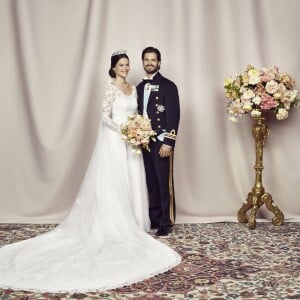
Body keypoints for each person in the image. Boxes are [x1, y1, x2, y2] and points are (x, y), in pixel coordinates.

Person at [0, 50, 181, 292]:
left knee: (140, 181)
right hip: (121, 141)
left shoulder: (151, 87)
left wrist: (155, 136)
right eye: (123, 64)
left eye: (128, 64)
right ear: (114, 67)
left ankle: (157, 223)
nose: (127, 68)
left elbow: (162, 114)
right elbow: (105, 117)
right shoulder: (117, 88)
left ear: (158, 62)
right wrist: (127, 130)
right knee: (121, 182)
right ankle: (128, 224)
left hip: (142, 142)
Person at [137, 47, 180, 237]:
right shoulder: (138, 88)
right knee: (150, 182)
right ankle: (154, 219)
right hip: (144, 141)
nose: (149, 63)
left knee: (164, 183)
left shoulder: (169, 86)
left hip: (161, 141)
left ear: (159, 62)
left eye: (153, 60)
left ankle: (166, 221)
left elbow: (174, 115)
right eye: (146, 60)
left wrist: (168, 143)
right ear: (143, 62)